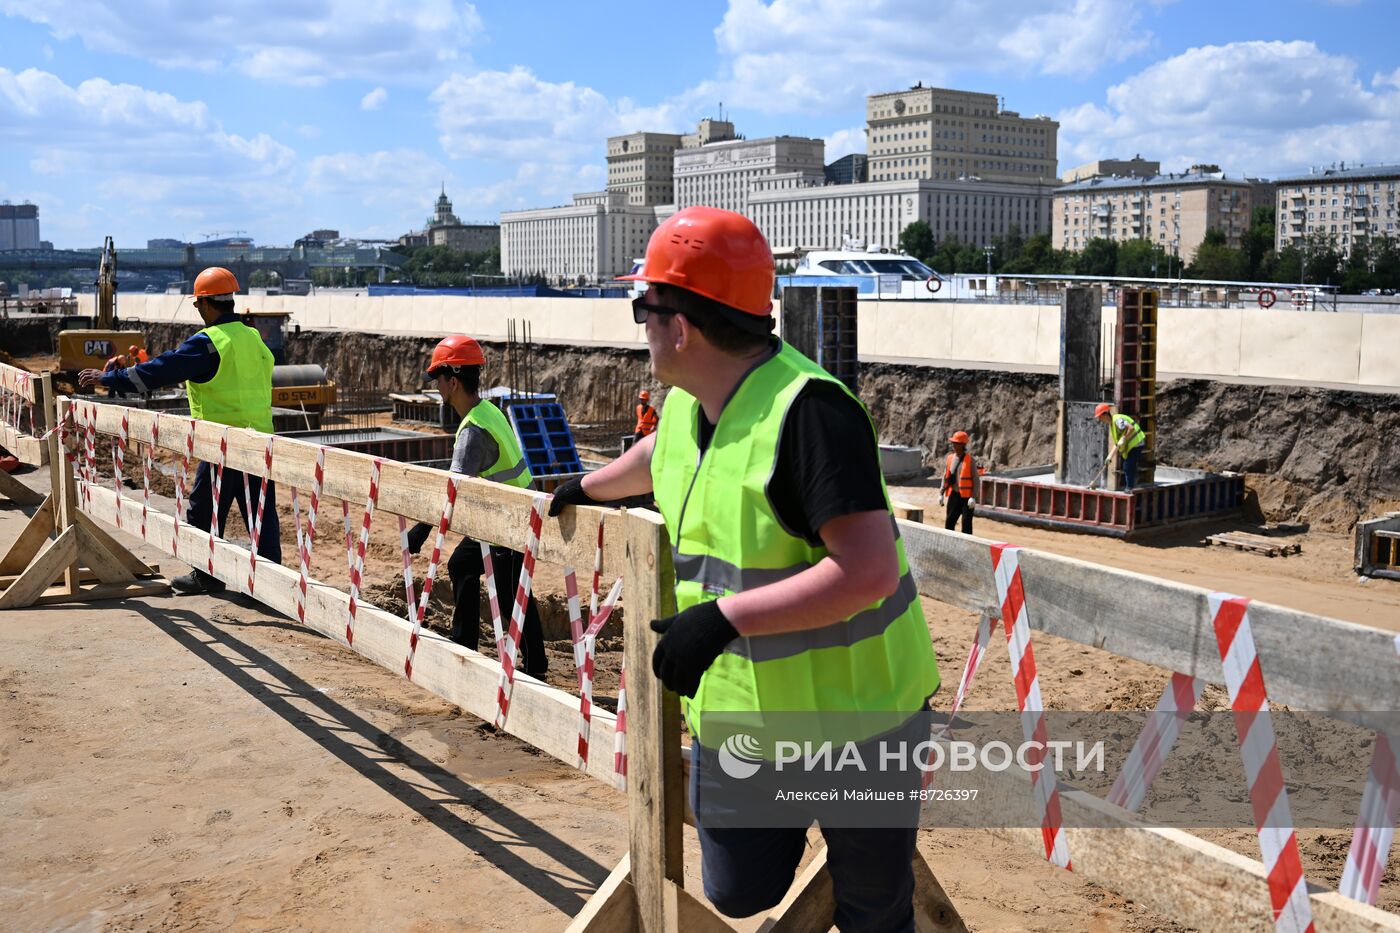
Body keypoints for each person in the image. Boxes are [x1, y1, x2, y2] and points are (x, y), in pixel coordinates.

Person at [548, 206, 939, 930]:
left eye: (644, 308)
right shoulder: (687, 403)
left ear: (681, 326)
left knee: (874, 906)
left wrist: (724, 617)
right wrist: (586, 485)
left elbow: (869, 573)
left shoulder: (809, 414)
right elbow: (662, 456)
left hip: (864, 720)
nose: (641, 327)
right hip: (748, 724)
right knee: (736, 890)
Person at [80, 266, 281, 595]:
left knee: (203, 509)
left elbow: (164, 368)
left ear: (204, 303)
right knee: (260, 515)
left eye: (197, 304)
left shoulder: (210, 342)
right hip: (260, 441)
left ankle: (207, 575)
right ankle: (274, 587)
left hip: (222, 444)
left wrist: (110, 379)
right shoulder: (253, 336)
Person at [405, 335, 547, 676]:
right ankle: (465, 641)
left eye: (437, 380)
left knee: (515, 596)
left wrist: (420, 531)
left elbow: (452, 492)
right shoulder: (488, 411)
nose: (436, 387)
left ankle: (535, 668)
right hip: (507, 517)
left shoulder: (473, 430)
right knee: (463, 564)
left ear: (452, 381)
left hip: (512, 526)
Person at [1095, 402, 1146, 490]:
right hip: (1132, 446)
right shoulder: (1112, 425)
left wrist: (1124, 438)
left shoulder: (1117, 420)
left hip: (1137, 443)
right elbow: (1117, 444)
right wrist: (1109, 457)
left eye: (1100, 416)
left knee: (1128, 465)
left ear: (1106, 414)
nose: (1100, 419)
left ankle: (1130, 488)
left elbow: (1131, 428)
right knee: (1129, 465)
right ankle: (1132, 486)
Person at [938, 430, 978, 534]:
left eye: (955, 443)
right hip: (954, 495)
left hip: (967, 498)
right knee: (949, 522)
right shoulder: (950, 458)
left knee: (966, 524)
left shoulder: (970, 460)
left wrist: (973, 496)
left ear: (962, 445)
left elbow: (976, 480)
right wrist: (941, 493)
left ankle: (966, 547)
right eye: (953, 443)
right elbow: (945, 476)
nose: (953, 445)